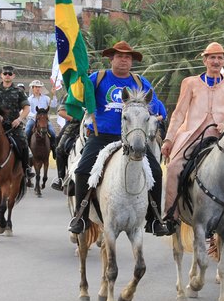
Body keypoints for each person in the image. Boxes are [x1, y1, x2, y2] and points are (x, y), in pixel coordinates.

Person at [67, 40, 170, 237]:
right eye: (120, 56)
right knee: (82, 170)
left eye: (128, 57)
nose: (124, 60)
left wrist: (152, 113)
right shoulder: (97, 78)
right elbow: (78, 95)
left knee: (156, 172)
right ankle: (80, 216)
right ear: (111, 58)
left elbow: (155, 106)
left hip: (133, 139)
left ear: (132, 61)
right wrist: (76, 77)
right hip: (101, 135)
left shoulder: (140, 82)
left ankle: (155, 219)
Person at [161, 42, 224, 240]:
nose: (216, 61)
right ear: (204, 60)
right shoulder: (190, 82)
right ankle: (170, 215)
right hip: (192, 136)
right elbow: (179, 113)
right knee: (173, 168)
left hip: (222, 137)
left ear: (223, 61)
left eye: (220, 58)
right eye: (212, 57)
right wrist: (169, 139)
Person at [51, 101, 82, 191]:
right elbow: (61, 112)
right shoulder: (72, 92)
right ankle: (61, 179)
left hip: (94, 124)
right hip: (74, 124)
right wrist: (74, 119)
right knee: (59, 149)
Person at [25, 79, 57, 157]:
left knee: (52, 132)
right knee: (27, 131)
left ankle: (54, 149)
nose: (38, 88)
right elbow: (27, 111)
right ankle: (26, 149)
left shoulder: (46, 98)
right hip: (33, 120)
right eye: (36, 87)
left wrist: (54, 94)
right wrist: (34, 116)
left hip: (44, 121)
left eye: (39, 87)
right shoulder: (29, 99)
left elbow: (54, 105)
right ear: (32, 88)